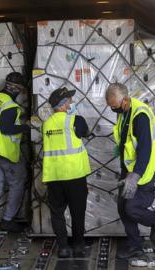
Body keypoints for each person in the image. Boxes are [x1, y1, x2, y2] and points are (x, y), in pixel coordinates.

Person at [105, 83, 155, 259]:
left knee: (132, 207)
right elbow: (127, 138)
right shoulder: (124, 112)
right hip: (130, 168)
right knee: (122, 207)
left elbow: (145, 149)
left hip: (144, 168)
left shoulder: (140, 115)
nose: (112, 109)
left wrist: (136, 175)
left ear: (124, 100)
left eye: (114, 106)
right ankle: (135, 245)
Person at [42, 87, 91, 258]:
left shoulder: (46, 124)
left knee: (57, 213)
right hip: (74, 175)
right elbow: (86, 132)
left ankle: (63, 247)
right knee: (77, 212)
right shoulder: (75, 120)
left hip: (54, 176)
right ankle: (78, 245)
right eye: (69, 101)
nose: (72, 103)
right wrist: (76, 117)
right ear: (63, 105)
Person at [0, 72, 29, 236]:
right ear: (17, 89)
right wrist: (26, 126)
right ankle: (8, 220)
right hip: (6, 153)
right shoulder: (11, 106)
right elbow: (6, 128)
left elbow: (0, 119)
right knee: (17, 183)